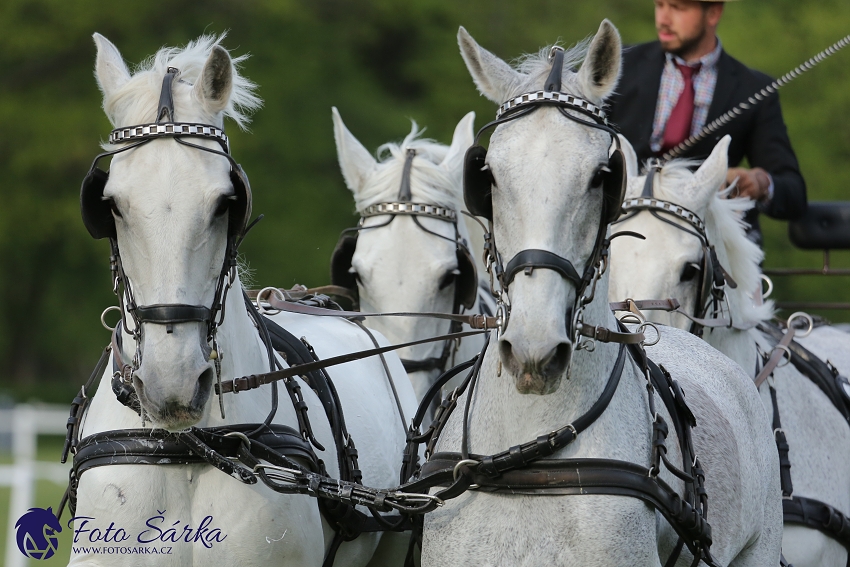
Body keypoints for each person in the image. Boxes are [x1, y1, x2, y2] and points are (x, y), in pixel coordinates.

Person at [606, 0, 807, 244]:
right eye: (659, 5)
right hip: (619, 236)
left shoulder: (754, 90)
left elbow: (794, 192)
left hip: (706, 249)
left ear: (713, 13)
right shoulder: (618, 65)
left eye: (677, 8)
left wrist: (760, 182)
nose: (663, 19)